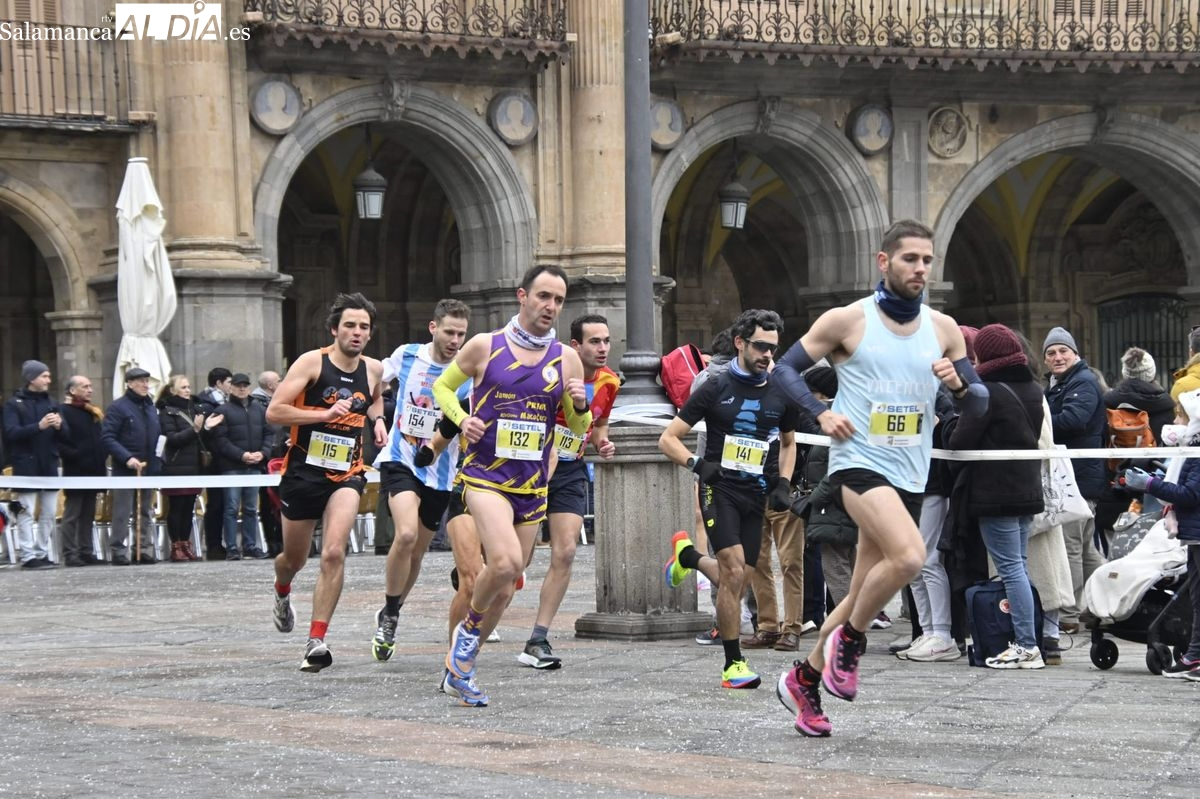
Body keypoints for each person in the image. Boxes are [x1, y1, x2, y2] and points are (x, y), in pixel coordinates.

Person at [769, 219, 972, 737]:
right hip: (857, 463)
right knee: (910, 557)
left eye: (928, 260)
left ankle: (805, 678)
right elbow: (784, 370)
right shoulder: (847, 320)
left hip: (911, 472)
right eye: (910, 259)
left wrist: (960, 385)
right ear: (884, 262)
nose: (921, 268)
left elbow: (981, 397)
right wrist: (819, 413)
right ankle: (852, 643)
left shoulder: (944, 329)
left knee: (859, 590)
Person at [430, 264, 591, 707]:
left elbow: (578, 426)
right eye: (543, 296)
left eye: (558, 300)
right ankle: (464, 644)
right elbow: (443, 389)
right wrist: (464, 421)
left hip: (532, 484)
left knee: (507, 582)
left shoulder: (566, 358)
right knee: (500, 563)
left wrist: (579, 404)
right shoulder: (486, 345)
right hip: (483, 477)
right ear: (522, 296)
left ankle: (459, 668)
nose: (550, 306)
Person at [659, 308, 799, 691]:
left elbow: (789, 443)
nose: (767, 355)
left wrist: (784, 482)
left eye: (773, 348)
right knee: (735, 571)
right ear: (740, 343)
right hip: (718, 488)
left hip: (756, 494)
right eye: (759, 346)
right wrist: (698, 465)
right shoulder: (715, 387)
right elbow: (668, 438)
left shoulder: (781, 391)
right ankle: (733, 663)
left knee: (737, 579)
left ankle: (688, 557)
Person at [266, 292, 387, 673]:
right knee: (293, 560)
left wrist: (378, 421)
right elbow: (275, 411)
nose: (357, 332)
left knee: (334, 551)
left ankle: (316, 639)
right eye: (350, 325)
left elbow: (376, 399)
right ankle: (282, 590)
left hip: (347, 475)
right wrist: (322, 414)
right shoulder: (311, 363)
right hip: (303, 474)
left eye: (363, 327)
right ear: (335, 329)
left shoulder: (374, 369)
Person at [369, 298, 471, 663]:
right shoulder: (408, 354)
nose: (455, 340)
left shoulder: (468, 371)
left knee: (418, 551)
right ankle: (391, 614)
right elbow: (371, 378)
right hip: (402, 459)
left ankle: (393, 607)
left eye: (461, 334)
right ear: (433, 328)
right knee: (406, 534)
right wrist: (377, 416)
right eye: (448, 332)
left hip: (441, 473)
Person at [520, 313, 619, 669]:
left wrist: (602, 444)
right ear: (575, 346)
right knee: (520, 559)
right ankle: (486, 571)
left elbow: (599, 426)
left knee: (564, 552)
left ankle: (538, 638)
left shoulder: (610, 381)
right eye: (595, 341)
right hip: (532, 468)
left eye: (606, 340)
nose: (603, 348)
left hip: (572, 470)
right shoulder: (552, 371)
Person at [945, 324, 1047, 668]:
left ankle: (1026, 644)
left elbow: (960, 442)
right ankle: (1028, 637)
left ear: (984, 355)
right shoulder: (1034, 388)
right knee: (1018, 565)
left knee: (1010, 568)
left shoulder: (986, 392)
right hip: (1027, 487)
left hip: (997, 492)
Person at [1043, 326, 1108, 634]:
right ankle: (1107, 603)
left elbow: (1073, 420)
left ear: (1076, 353)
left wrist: (1036, 422)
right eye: (1051, 353)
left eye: (1062, 351)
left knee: (1071, 545)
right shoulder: (1060, 382)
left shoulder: (1081, 381)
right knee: (1086, 546)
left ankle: (1070, 613)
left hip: (1078, 478)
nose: (1057, 357)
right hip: (1077, 476)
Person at [1123, 435, 1200, 680]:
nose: (1176, 422)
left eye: (1180, 415)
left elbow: (1190, 493)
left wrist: (1150, 485)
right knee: (1197, 597)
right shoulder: (1191, 450)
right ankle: (1194, 656)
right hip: (1194, 533)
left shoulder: (1195, 451)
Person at [2, 360, 65, 569]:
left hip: (48, 463)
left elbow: (66, 435)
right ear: (31, 379)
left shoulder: (51, 402)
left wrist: (60, 426)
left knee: (49, 511)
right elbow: (11, 433)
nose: (49, 380)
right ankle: (28, 555)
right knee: (25, 511)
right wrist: (38, 426)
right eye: (44, 376)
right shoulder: (14, 404)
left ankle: (41, 551)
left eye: (48, 376)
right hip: (26, 465)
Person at [157, 375, 222, 562]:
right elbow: (172, 439)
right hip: (175, 466)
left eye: (188, 387)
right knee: (176, 507)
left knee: (188, 507)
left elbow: (200, 438)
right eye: (183, 387)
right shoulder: (167, 411)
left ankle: (185, 544)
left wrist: (206, 428)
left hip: (194, 465)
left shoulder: (195, 408)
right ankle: (176, 545)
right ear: (173, 390)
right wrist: (194, 429)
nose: (187, 390)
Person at [101, 367, 161, 565]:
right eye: (140, 381)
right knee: (122, 511)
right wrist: (126, 457)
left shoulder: (150, 406)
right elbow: (108, 437)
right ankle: (118, 549)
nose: (145, 385)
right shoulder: (118, 407)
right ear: (129, 383)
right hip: (126, 468)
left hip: (148, 467)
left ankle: (142, 548)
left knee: (145, 510)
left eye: (146, 381)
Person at [211, 373, 272, 560]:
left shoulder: (259, 409)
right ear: (231, 388)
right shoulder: (223, 410)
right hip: (232, 467)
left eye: (245, 385)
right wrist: (241, 455)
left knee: (251, 509)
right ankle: (231, 547)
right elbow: (221, 440)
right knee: (231, 508)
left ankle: (250, 546)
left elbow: (269, 434)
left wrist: (263, 453)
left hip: (254, 466)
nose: (242, 388)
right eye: (238, 385)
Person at [57, 375, 105, 566]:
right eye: (85, 387)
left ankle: (86, 550)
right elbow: (61, 442)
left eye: (90, 386)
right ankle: (70, 553)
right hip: (76, 470)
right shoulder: (64, 411)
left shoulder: (91, 412)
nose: (90, 390)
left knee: (89, 514)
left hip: (93, 470)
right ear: (72, 390)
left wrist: (101, 454)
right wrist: (76, 455)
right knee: (72, 514)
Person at [1104, 347, 1174, 448]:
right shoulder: (1165, 404)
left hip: (1118, 461)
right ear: (1152, 373)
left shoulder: (1109, 401)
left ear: (1125, 373)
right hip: (1156, 461)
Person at [197, 367, 233, 560]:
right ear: (218, 383)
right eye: (229, 382)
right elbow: (201, 434)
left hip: (228, 460)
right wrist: (208, 428)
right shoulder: (204, 403)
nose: (232, 386)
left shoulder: (230, 402)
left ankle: (229, 544)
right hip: (214, 461)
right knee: (216, 504)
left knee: (229, 505)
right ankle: (214, 545)